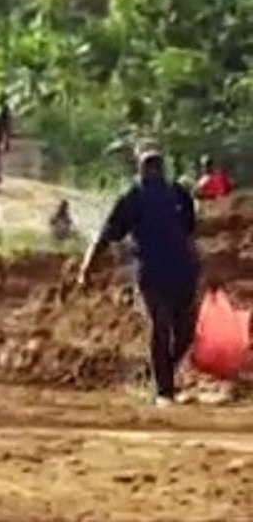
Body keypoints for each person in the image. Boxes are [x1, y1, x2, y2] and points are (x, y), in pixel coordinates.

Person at [77, 148, 199, 407]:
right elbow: (106, 235)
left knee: (184, 332)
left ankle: (157, 375)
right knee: (162, 325)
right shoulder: (133, 198)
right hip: (152, 271)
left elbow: (189, 234)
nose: (154, 173)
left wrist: (198, 267)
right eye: (150, 167)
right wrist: (86, 267)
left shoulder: (179, 195)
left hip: (181, 271)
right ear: (142, 170)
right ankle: (164, 391)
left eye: (157, 167)